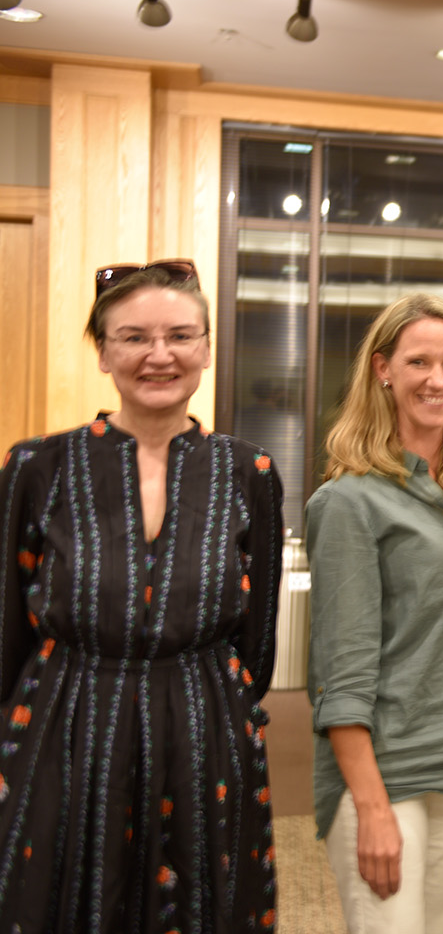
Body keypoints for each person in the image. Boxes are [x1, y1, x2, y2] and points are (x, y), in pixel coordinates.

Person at [0, 259, 284, 931]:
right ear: (103, 352)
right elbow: (5, 624)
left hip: (204, 730)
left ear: (207, 348)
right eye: (133, 337)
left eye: (181, 335)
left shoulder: (249, 471)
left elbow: (259, 638)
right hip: (66, 725)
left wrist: (220, 709)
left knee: (201, 908)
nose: (159, 355)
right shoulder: (37, 466)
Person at [306, 294, 443, 934]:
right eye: (419, 361)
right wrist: (370, 806)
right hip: (385, 767)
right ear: (383, 369)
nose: (438, 379)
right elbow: (339, 670)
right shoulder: (348, 500)